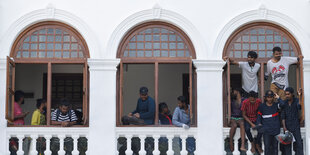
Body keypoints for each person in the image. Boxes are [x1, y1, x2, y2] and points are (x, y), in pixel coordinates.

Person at [257, 90, 285, 155]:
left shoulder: (276, 105)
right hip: (266, 131)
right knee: (267, 147)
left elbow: (283, 105)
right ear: (265, 98)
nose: (269, 98)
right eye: (268, 97)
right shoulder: (262, 106)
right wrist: (259, 124)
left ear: (273, 97)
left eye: (271, 97)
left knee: (275, 147)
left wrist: (278, 98)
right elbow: (259, 117)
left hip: (275, 130)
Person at [281, 87, 304, 155]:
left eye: (288, 94)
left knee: (299, 144)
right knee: (287, 146)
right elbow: (283, 116)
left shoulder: (296, 100)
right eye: (286, 94)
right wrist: (284, 127)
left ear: (292, 94)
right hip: (287, 127)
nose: (287, 96)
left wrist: (299, 96)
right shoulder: (284, 103)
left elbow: (299, 106)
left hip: (296, 126)